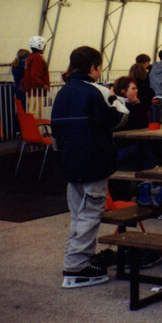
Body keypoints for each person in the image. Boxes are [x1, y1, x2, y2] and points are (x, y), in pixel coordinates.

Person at [51, 46, 129, 289]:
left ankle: (77, 259)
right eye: (99, 68)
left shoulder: (62, 93)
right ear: (94, 68)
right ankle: (76, 267)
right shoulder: (95, 91)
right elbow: (117, 119)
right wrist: (118, 99)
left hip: (70, 164)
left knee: (78, 214)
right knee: (90, 213)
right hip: (93, 163)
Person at [20, 35, 50, 117]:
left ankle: (32, 129)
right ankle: (34, 129)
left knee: (32, 111)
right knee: (36, 113)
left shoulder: (31, 57)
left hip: (32, 90)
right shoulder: (37, 58)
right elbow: (35, 75)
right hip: (36, 91)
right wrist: (43, 84)